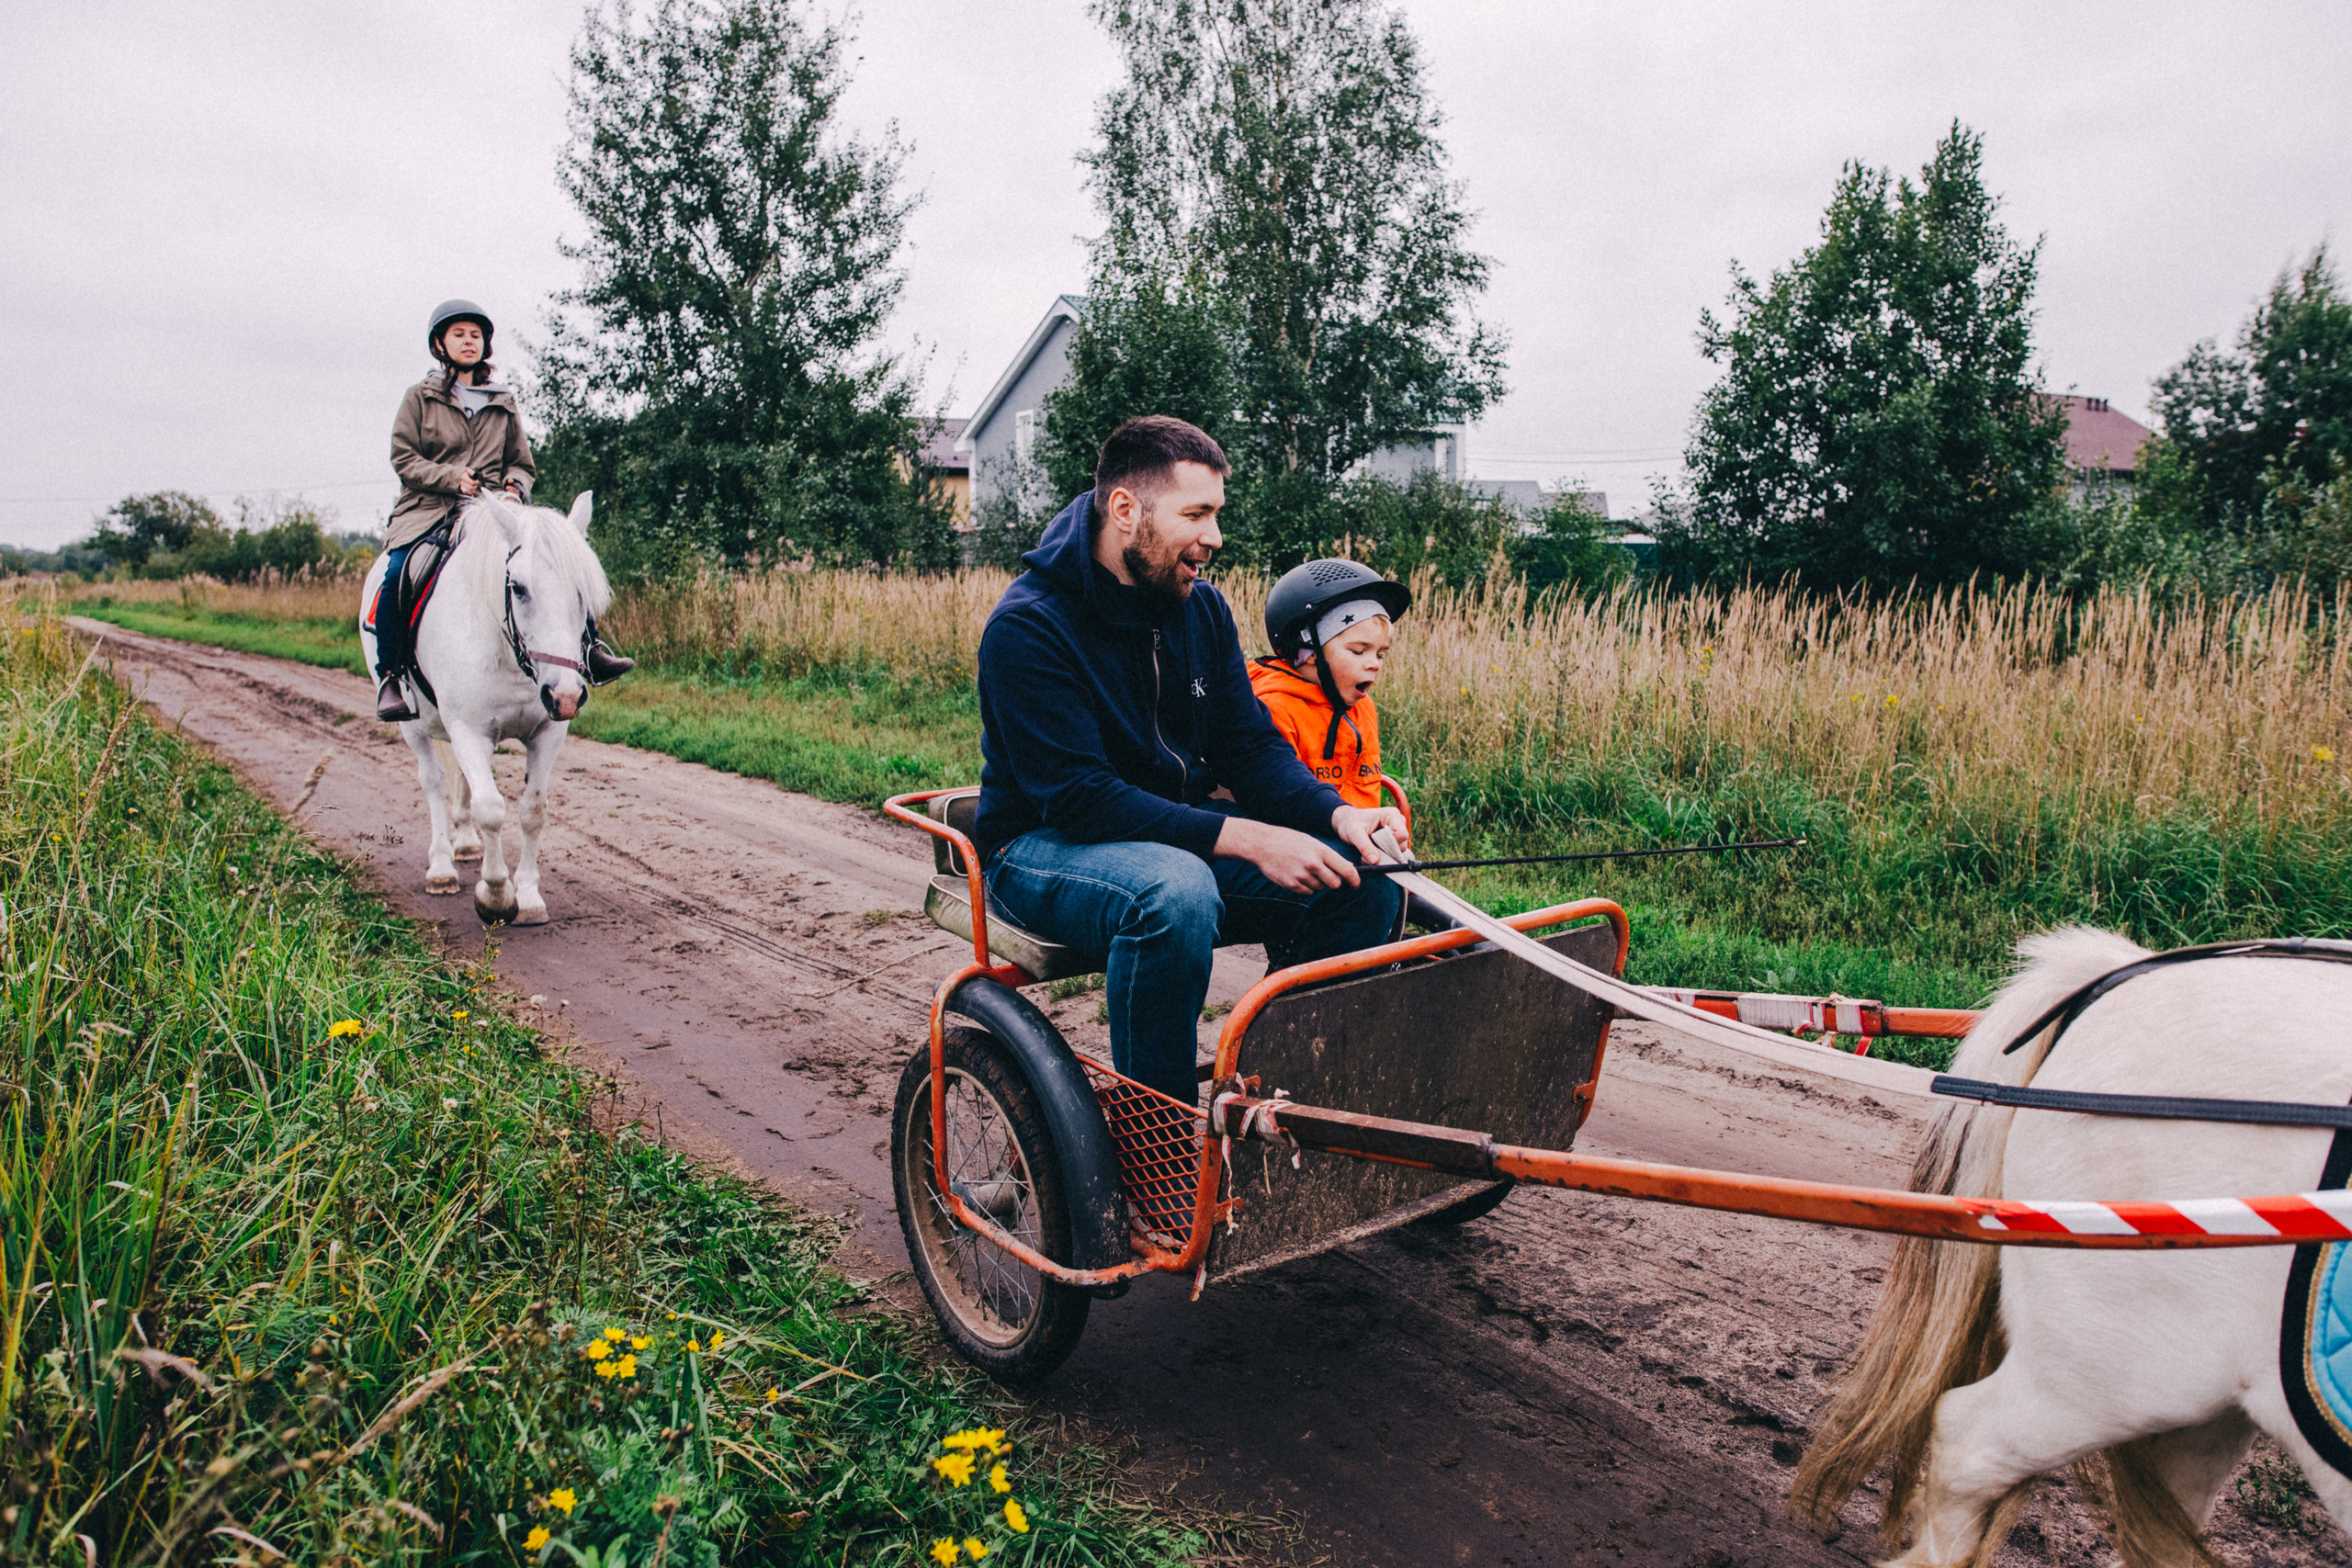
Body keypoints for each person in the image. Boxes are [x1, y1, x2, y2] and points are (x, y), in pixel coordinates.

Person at [976, 416, 1412, 1107]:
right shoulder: (1029, 627)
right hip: (1041, 845)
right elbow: (1082, 798)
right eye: (1197, 514)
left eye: (1217, 513)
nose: (1215, 537)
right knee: (1174, 893)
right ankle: (1159, 1147)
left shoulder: (1200, 608)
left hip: (1172, 832)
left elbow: (1251, 746)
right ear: (1126, 510)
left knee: (1361, 878)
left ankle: (1283, 1110)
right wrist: (1249, 836)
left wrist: (1342, 815)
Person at [374, 299, 633, 721]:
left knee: (555, 564)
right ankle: (390, 675)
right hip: (429, 508)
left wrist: (514, 486)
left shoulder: (503, 399)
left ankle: (592, 650)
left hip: (495, 511)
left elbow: (521, 461)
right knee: (399, 571)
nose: (468, 341)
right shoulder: (418, 398)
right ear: (440, 344)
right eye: (459, 334)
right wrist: (452, 478)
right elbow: (404, 459)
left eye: (475, 335)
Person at [1250, 558, 1410, 810]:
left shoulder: (1363, 707)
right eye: (1358, 651)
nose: (1374, 664)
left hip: (1359, 838)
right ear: (1309, 651)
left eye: (1380, 654)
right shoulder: (1274, 708)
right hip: (1304, 841)